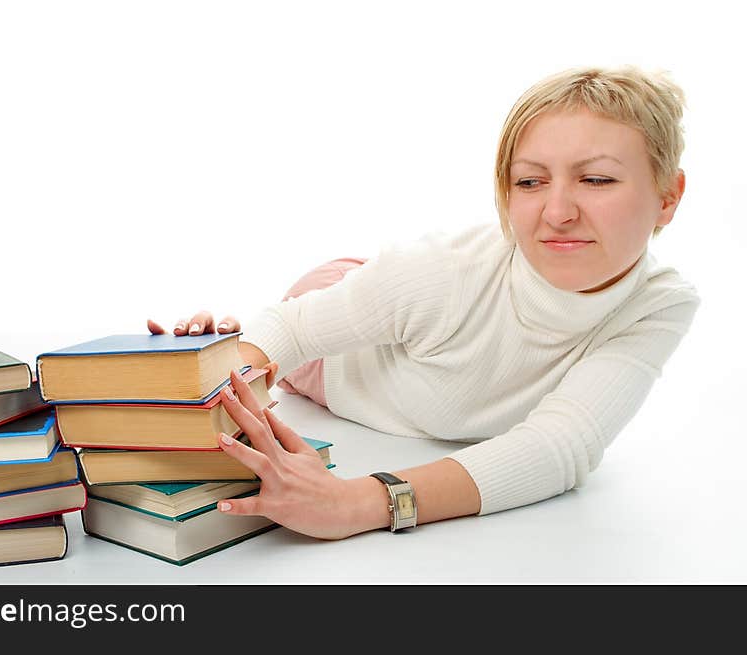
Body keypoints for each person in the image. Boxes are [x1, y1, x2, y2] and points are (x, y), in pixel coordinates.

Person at [147, 65, 699, 540]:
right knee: (256, 349)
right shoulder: (444, 272)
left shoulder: (660, 304)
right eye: (530, 182)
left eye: (597, 179)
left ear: (668, 197)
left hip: (408, 325)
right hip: (338, 345)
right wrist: (218, 367)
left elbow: (561, 446)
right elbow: (295, 329)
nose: (557, 212)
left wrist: (358, 502)